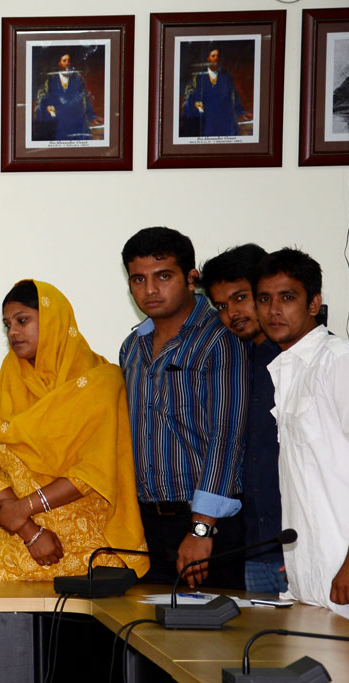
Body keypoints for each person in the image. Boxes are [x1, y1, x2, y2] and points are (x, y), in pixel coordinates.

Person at [0, 280, 148, 581]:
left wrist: (23, 507)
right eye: (7, 325)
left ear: (54, 321)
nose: (13, 332)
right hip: (10, 555)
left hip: (85, 557)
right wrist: (29, 530)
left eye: (22, 320)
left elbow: (95, 469)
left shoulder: (102, 384)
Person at [257, 249, 349, 635]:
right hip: (310, 580)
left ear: (314, 303)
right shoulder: (287, 369)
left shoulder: (341, 360)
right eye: (265, 299)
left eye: (288, 297)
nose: (274, 310)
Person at [119, 227, 248, 590]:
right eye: (138, 279)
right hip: (148, 524)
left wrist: (201, 528)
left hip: (207, 522)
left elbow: (227, 438)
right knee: (150, 637)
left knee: (210, 642)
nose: (150, 290)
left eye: (163, 276)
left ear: (192, 279)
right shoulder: (132, 347)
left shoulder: (220, 341)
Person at [199, 244, 287, 596]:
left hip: (304, 549)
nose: (231, 313)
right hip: (255, 548)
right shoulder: (240, 361)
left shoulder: (307, 361)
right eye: (221, 306)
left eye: (240, 298)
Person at [181, 48, 248, 137]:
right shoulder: (198, 77)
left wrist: (240, 112)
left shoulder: (226, 77)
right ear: (208, 58)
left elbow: (234, 96)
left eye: (218, 56)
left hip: (224, 120)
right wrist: (195, 103)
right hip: (207, 121)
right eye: (213, 56)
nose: (216, 58)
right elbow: (189, 96)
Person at [34, 52, 100, 141]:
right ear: (59, 63)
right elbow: (43, 98)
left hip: (75, 120)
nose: (67, 63)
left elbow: (85, 98)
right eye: (64, 60)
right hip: (59, 121)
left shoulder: (77, 78)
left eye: (68, 61)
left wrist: (91, 116)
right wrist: (47, 107)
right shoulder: (51, 79)